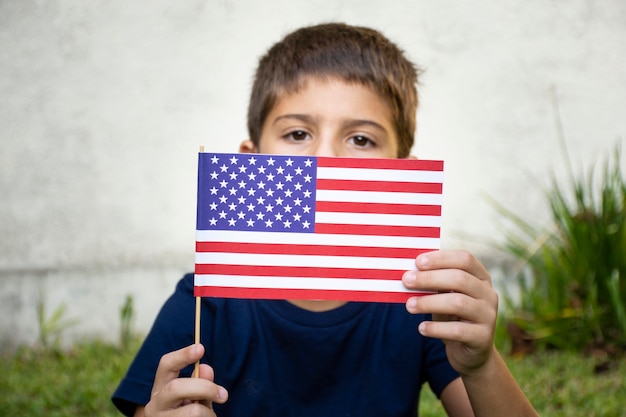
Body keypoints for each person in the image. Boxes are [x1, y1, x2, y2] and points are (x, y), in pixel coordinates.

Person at [112, 23, 538, 417]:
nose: (325, 159)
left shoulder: (417, 307)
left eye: (360, 139)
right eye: (298, 134)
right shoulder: (206, 302)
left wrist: (480, 366)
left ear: (402, 172)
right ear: (251, 160)